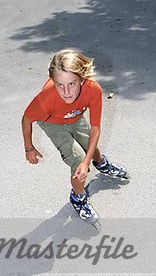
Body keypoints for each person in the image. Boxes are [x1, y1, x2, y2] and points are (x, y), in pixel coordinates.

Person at [21, 48, 129, 224]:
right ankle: (78, 197)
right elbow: (26, 120)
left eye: (71, 83)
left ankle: (101, 164)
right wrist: (29, 148)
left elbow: (95, 128)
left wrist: (90, 161)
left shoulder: (93, 90)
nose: (66, 92)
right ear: (53, 81)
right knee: (79, 161)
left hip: (75, 116)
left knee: (91, 147)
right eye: (59, 85)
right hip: (51, 121)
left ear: (82, 79)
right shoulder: (45, 98)